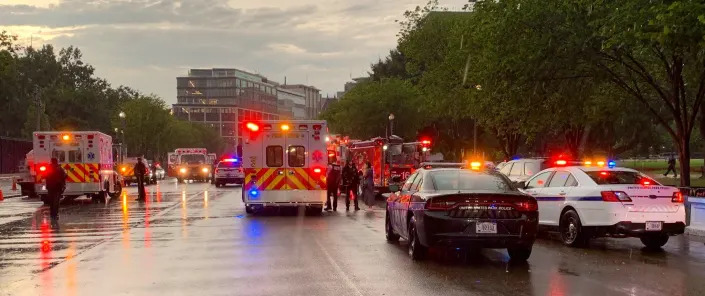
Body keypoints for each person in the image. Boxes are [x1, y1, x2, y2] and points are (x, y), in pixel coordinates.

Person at [45, 158, 67, 223]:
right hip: (58, 187)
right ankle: (55, 214)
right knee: (56, 201)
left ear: (51, 162)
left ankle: (52, 214)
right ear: (56, 161)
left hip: (50, 187)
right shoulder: (60, 169)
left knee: (51, 201)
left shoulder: (48, 169)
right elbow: (65, 176)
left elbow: (44, 176)